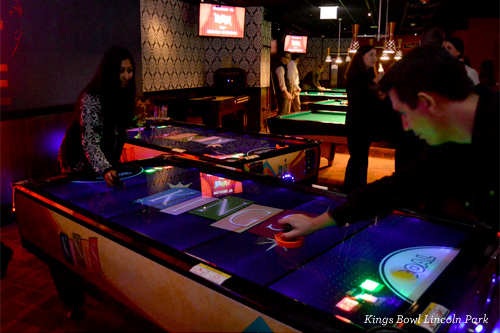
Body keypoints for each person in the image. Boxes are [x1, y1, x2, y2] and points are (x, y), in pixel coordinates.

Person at [278, 46, 499, 240]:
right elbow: (397, 187)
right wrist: (315, 223)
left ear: (427, 103)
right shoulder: (449, 139)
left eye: (404, 113)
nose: (406, 126)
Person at [59, 46, 136, 186]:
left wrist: (110, 165)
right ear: (111, 71)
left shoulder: (123, 95)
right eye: (121, 71)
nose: (126, 76)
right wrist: (105, 168)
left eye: (130, 71)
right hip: (77, 161)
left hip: (104, 162)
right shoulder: (92, 97)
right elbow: (90, 141)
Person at [342, 45, 388, 193]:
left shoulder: (367, 74)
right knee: (357, 158)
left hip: (365, 123)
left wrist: (380, 96)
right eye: (371, 54)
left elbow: (369, 99)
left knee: (361, 158)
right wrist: (375, 83)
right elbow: (359, 97)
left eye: (376, 55)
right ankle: (351, 191)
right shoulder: (356, 75)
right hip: (357, 123)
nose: (375, 58)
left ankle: (358, 189)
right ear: (361, 57)